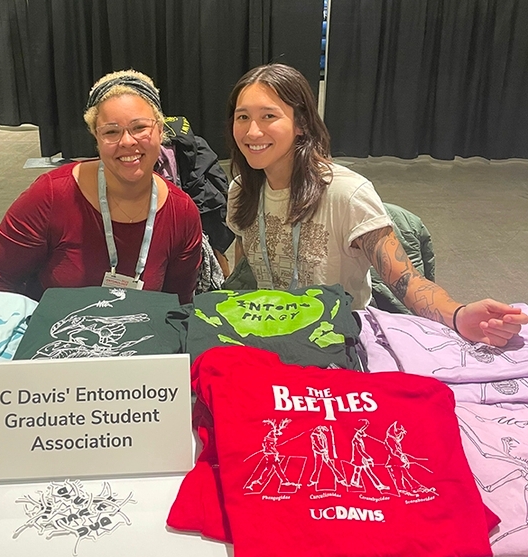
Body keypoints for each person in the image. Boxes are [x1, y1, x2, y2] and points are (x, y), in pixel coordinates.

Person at [226, 63, 527, 347]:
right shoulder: (241, 190)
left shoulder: (346, 194)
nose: (252, 132)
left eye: (268, 116)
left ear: (301, 123)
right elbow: (250, 269)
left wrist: (459, 316)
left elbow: (407, 282)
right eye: (243, 117)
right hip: (268, 332)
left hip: (338, 337)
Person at [0, 70, 202, 304]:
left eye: (139, 128)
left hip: (141, 336)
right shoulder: (51, 196)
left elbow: (179, 306)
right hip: (54, 335)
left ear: (160, 130)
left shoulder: (181, 213)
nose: (127, 141)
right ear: (96, 136)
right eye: (111, 131)